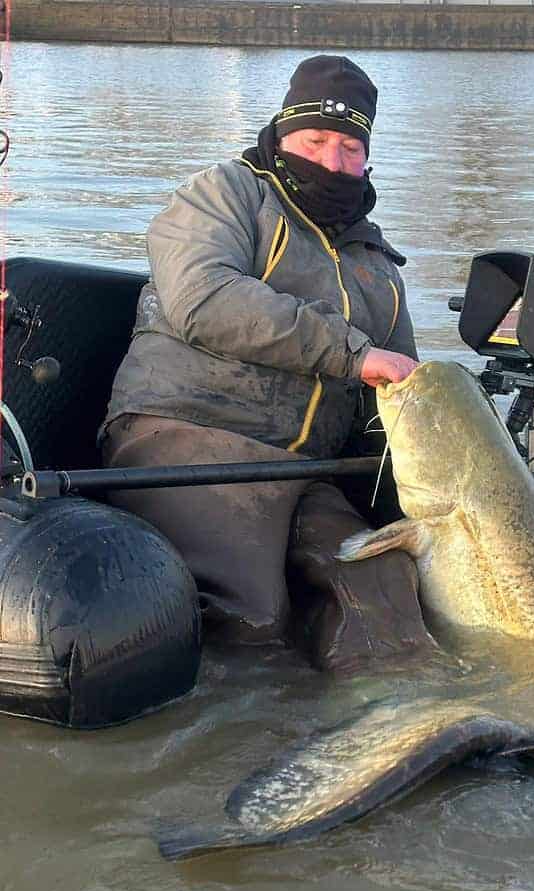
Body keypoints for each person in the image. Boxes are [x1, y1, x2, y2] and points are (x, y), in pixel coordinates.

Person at [99, 55, 432, 671]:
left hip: (308, 467)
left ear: (367, 158)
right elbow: (204, 299)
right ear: (282, 135)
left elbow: (398, 384)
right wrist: (353, 353)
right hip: (186, 434)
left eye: (350, 147)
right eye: (317, 140)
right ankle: (245, 747)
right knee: (252, 614)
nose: (333, 160)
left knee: (384, 593)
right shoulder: (224, 194)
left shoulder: (377, 263)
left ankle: (399, 727)